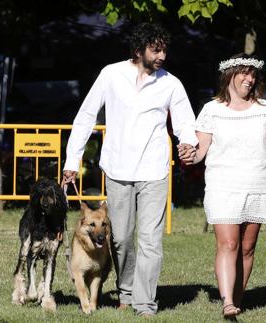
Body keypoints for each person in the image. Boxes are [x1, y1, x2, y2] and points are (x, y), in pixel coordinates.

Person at [61, 22, 197, 317]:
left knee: (150, 239)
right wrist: (73, 161)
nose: (162, 55)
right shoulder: (111, 74)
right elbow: (86, 115)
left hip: (154, 171)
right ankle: (125, 291)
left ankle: (145, 301)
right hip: (118, 169)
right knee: (120, 238)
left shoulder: (171, 83)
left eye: (165, 49)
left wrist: (188, 142)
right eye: (155, 49)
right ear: (138, 50)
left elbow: (186, 121)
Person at [179, 53, 266, 319]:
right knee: (228, 244)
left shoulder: (265, 109)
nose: (250, 78)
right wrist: (190, 155)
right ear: (229, 75)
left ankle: (237, 299)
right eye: (244, 73)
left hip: (256, 184)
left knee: (247, 247)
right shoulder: (212, 110)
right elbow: (200, 151)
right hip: (222, 185)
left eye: (253, 74)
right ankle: (227, 301)